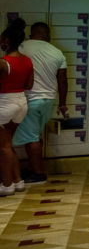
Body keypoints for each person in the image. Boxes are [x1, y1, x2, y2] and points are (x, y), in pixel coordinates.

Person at [16, 22, 68, 185]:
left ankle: (38, 173)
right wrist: (63, 103)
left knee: (31, 137)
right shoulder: (57, 52)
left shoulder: (22, 47)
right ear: (47, 35)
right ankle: (34, 168)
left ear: (31, 34)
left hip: (30, 99)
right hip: (48, 100)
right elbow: (62, 80)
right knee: (35, 136)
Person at [0, 18, 33, 195]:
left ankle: (6, 185)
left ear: (7, 41)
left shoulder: (3, 62)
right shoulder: (27, 61)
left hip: (4, 104)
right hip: (21, 103)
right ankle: (17, 180)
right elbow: (29, 85)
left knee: (3, 147)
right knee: (8, 144)